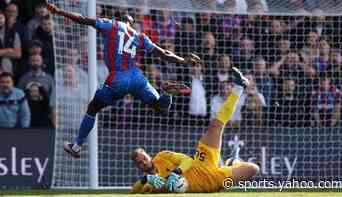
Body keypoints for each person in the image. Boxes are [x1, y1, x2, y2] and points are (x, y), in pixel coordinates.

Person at [46, 2, 200, 158]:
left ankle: (77, 146)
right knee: (161, 107)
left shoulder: (111, 25)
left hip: (118, 78)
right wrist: (183, 60)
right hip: (136, 77)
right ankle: (167, 93)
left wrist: (60, 12)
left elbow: (83, 19)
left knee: (93, 108)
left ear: (117, 18)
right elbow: (164, 53)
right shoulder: (140, 36)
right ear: (132, 24)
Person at [131, 67, 259, 193]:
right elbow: (133, 192)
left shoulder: (162, 156)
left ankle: (239, 87)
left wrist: (176, 172)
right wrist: (145, 179)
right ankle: (233, 162)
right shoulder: (150, 185)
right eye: (139, 162)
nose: (143, 161)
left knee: (216, 125)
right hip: (212, 181)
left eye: (143, 157)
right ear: (138, 167)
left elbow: (188, 160)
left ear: (148, 155)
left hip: (201, 162)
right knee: (253, 169)